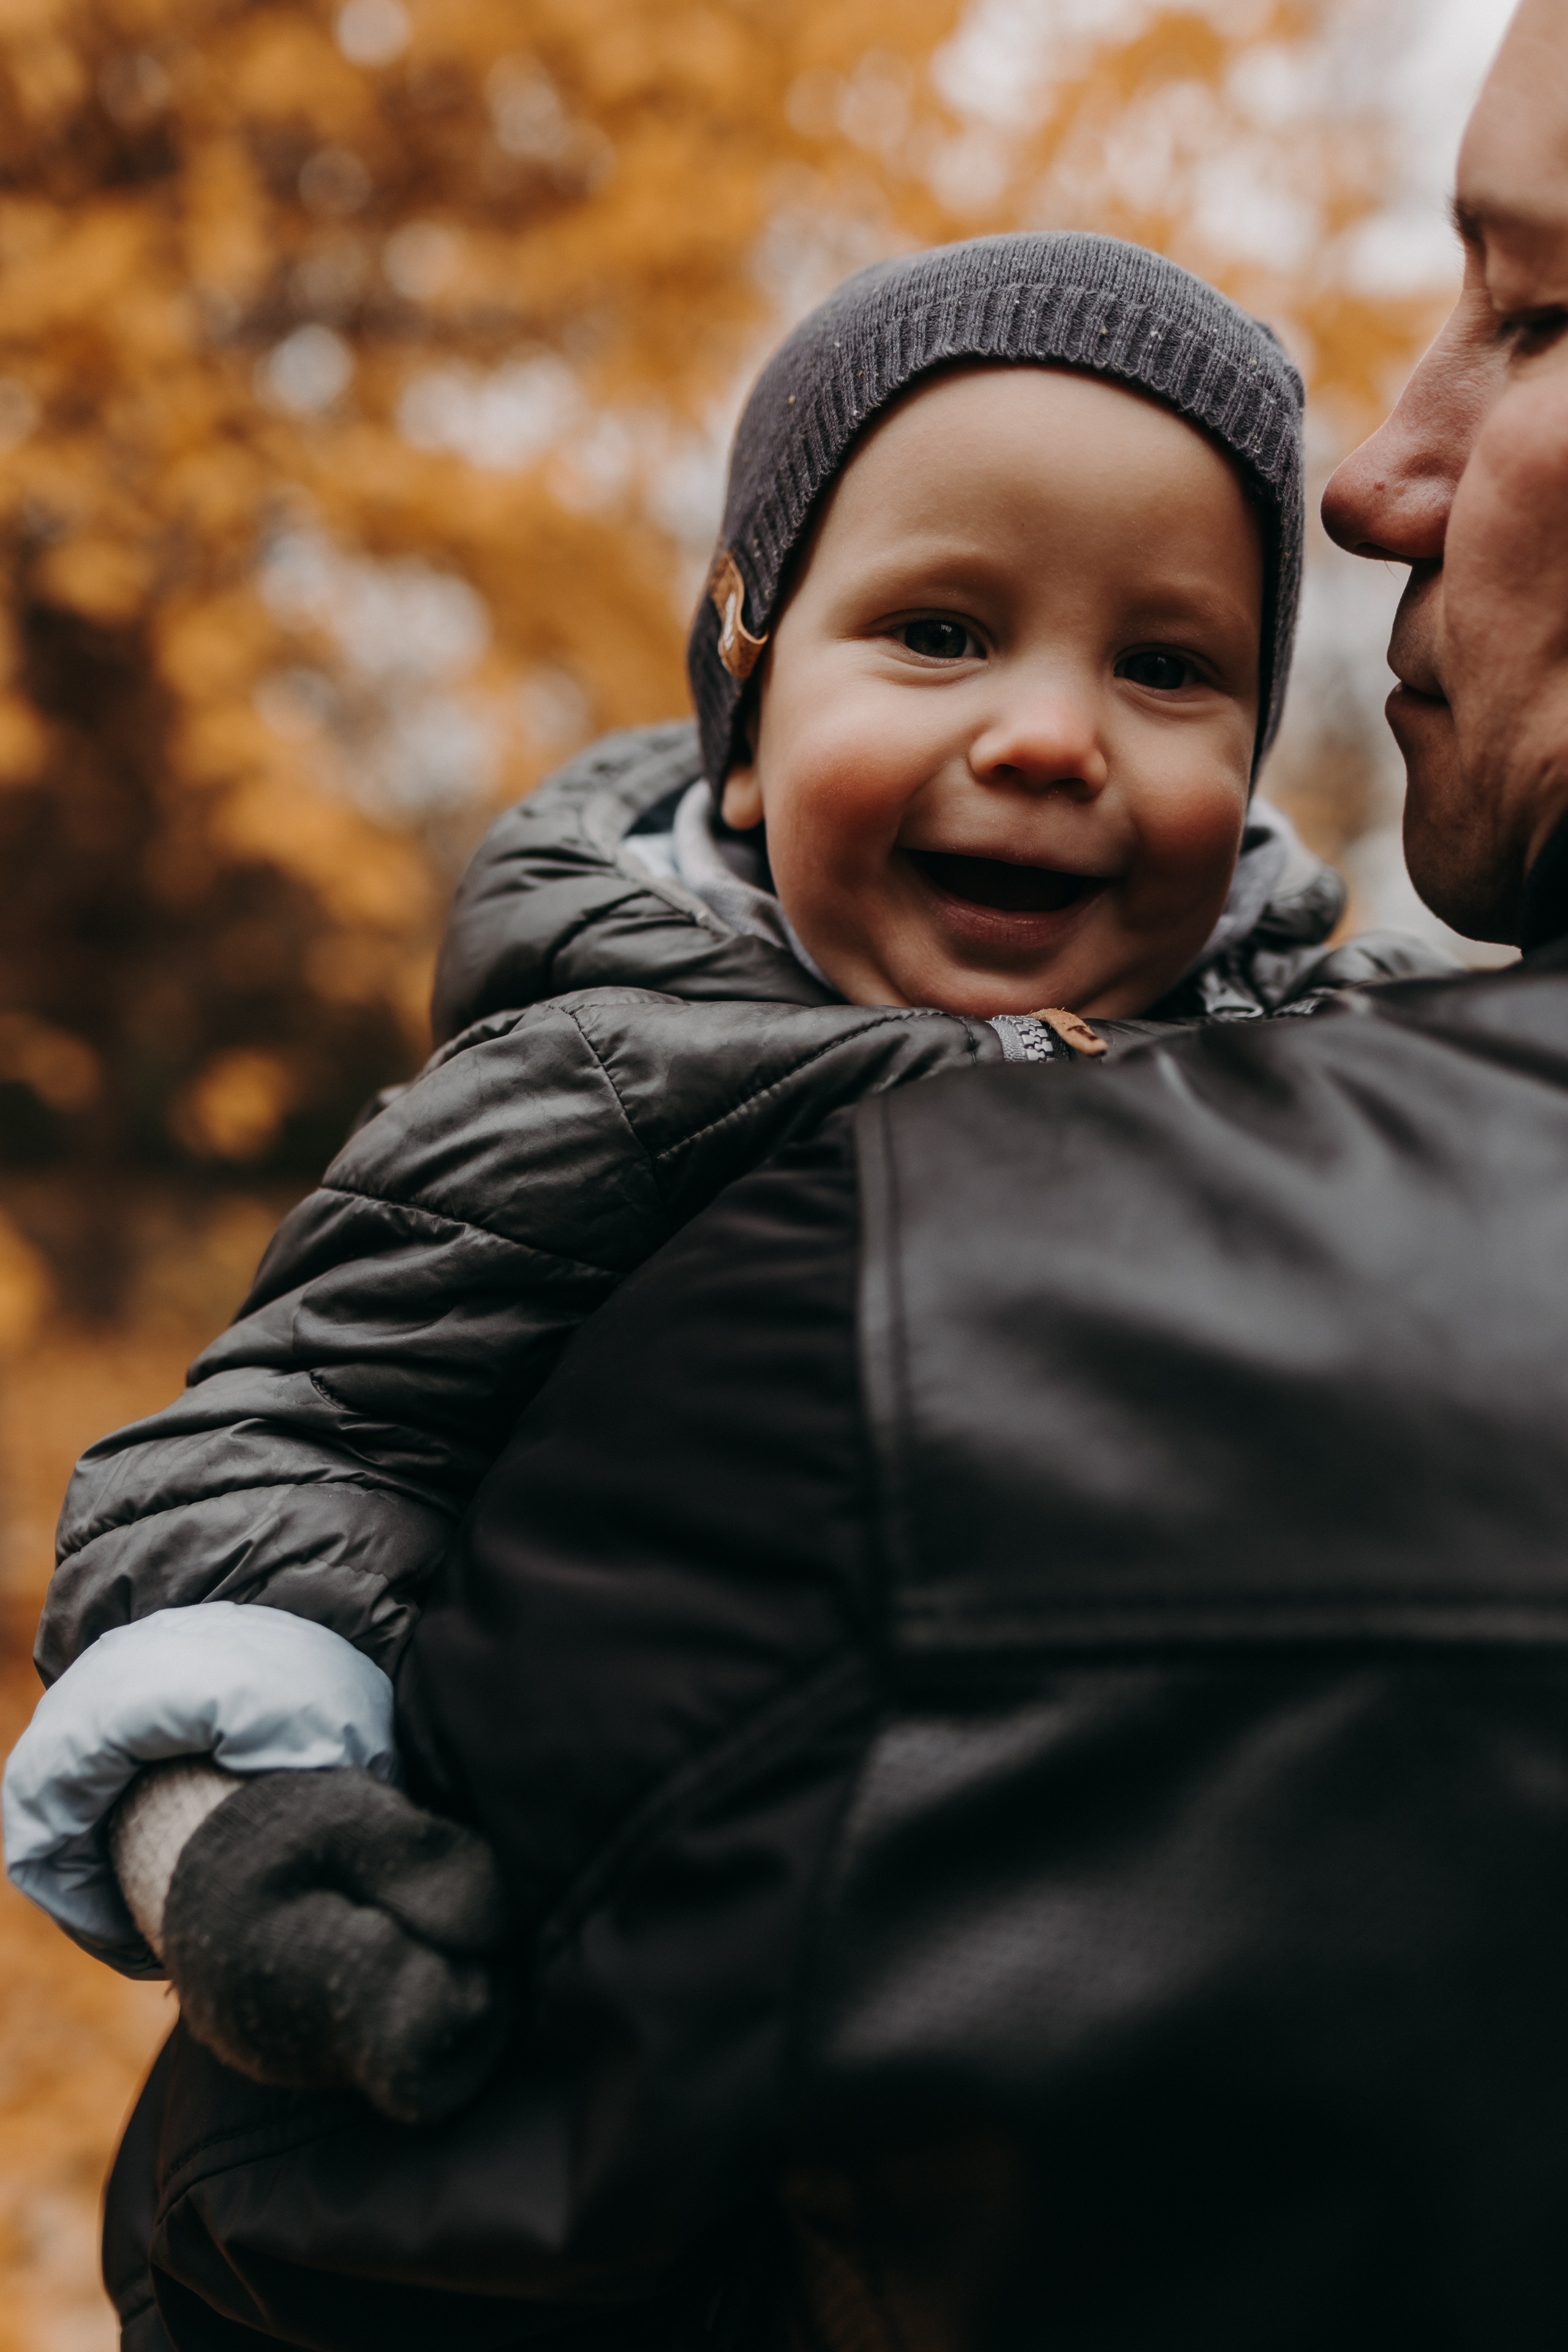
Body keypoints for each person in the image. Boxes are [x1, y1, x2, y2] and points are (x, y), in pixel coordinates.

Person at [78, 4, 1568, 2346]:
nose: (1052, 734)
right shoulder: (604, 1079)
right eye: (941, 632)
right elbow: (285, 1438)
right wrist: (223, 1813)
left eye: (1170, 667)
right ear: (743, 719)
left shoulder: (1308, 1043)